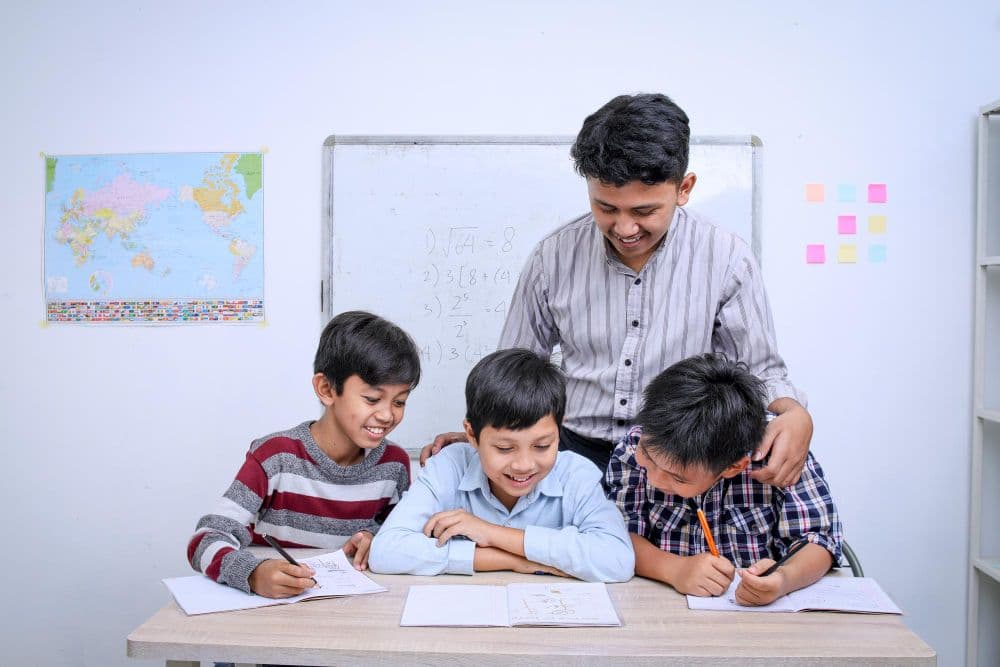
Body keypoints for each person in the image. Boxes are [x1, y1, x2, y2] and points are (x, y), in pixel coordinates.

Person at [421, 93, 812, 485]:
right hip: (570, 453)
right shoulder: (553, 256)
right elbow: (514, 372)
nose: (625, 229)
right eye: (606, 208)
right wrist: (487, 435)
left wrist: (794, 413)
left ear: (684, 188)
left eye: (644, 211)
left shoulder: (727, 259)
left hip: (673, 458)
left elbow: (758, 371)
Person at [187, 310, 420, 598]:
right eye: (372, 399)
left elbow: (400, 535)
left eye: (399, 402)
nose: (387, 415)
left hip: (353, 609)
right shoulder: (275, 457)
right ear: (326, 389)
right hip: (276, 610)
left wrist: (377, 541)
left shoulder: (393, 465)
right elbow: (204, 540)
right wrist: (253, 574)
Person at [369, 348, 634, 582]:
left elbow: (618, 560)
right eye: (505, 448)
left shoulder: (577, 474)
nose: (523, 465)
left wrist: (490, 533)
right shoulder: (449, 466)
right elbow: (386, 551)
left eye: (542, 446)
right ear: (471, 435)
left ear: (559, 429)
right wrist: (512, 560)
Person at [605, 353, 842, 605]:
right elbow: (616, 536)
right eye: (648, 456)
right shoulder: (631, 448)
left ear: (733, 467)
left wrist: (783, 579)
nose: (655, 479)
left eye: (677, 478)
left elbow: (818, 542)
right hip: (662, 606)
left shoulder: (782, 454)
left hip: (754, 615)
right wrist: (674, 569)